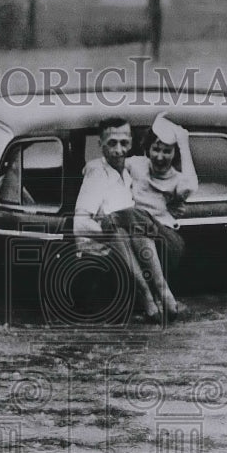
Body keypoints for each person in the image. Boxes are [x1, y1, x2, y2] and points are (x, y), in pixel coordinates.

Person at [74, 117, 175, 321]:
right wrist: (113, 229)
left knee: (129, 221)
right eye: (112, 143)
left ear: (131, 142)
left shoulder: (128, 173)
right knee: (120, 223)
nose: (119, 150)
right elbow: (80, 225)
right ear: (100, 144)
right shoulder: (96, 173)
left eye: (124, 143)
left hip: (131, 245)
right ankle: (151, 294)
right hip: (100, 248)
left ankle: (158, 291)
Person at [124, 112, 198, 275]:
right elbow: (111, 167)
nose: (159, 156)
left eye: (167, 151)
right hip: (137, 236)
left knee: (136, 216)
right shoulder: (136, 165)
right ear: (147, 148)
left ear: (175, 154)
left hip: (166, 239)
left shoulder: (178, 180)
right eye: (155, 149)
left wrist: (184, 145)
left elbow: (190, 186)